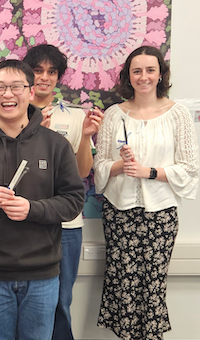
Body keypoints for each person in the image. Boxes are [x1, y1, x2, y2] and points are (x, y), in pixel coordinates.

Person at [0, 59, 85, 340]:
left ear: (30, 92)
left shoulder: (55, 144)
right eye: (0, 87)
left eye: (16, 87)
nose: (7, 95)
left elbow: (73, 201)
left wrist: (32, 209)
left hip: (42, 272)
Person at [93, 46, 199, 340]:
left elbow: (190, 168)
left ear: (160, 74)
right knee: (123, 287)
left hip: (161, 215)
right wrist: (119, 165)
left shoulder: (177, 114)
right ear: (128, 75)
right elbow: (99, 168)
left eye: (150, 70)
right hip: (119, 213)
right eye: (136, 71)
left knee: (152, 287)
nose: (143, 77)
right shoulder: (114, 115)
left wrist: (149, 172)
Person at [23, 44, 104, 340]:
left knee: (60, 300)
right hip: (25, 222)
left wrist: (84, 138)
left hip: (67, 225)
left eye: (51, 72)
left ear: (58, 77)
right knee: (28, 300)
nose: (44, 78)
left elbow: (82, 172)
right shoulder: (11, 114)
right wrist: (35, 134)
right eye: (37, 70)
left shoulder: (73, 115)